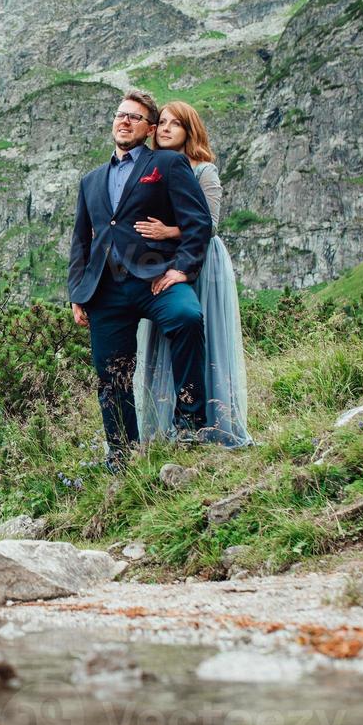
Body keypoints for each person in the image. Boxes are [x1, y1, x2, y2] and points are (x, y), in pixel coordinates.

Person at [67, 90, 214, 469]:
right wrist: (77, 293)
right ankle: (121, 453)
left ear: (149, 128)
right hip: (104, 289)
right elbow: (81, 240)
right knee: (111, 373)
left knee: (186, 317)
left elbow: (199, 222)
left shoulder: (165, 164)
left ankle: (189, 426)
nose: (125, 121)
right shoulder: (91, 180)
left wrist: (181, 268)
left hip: (155, 278)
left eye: (135, 117)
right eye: (121, 115)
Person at [131, 101, 253, 448]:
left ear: (190, 130)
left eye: (176, 124)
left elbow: (210, 224)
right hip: (164, 262)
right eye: (163, 122)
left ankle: (209, 424)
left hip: (203, 261)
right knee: (165, 337)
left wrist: (168, 232)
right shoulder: (154, 168)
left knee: (202, 332)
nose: (166, 128)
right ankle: (163, 428)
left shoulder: (204, 170)